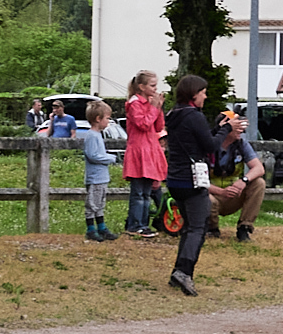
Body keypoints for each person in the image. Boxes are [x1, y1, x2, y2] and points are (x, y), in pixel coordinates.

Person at [162, 74, 216, 295]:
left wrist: (218, 128)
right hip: (192, 180)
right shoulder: (194, 116)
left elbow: (197, 140)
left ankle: (178, 271)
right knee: (198, 228)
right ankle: (185, 271)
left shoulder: (173, 114)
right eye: (203, 92)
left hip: (175, 179)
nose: (205, 96)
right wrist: (225, 130)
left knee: (188, 227)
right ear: (194, 94)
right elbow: (210, 145)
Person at [203, 107, 267, 241]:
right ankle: (211, 228)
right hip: (211, 194)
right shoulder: (207, 146)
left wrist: (243, 181)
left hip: (233, 194)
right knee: (206, 199)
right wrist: (221, 192)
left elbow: (259, 168)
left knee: (259, 183)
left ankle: (244, 227)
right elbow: (198, 181)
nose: (241, 130)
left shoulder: (241, 144)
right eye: (237, 126)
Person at [122, 70, 168, 238]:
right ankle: (135, 225)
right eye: (152, 85)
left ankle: (143, 224)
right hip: (138, 151)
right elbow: (143, 124)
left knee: (147, 192)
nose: (155, 89)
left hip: (149, 151)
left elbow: (158, 127)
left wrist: (158, 108)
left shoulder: (149, 103)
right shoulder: (134, 103)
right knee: (138, 193)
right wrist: (154, 108)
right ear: (141, 87)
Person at [79, 100, 120, 242]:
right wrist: (110, 158)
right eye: (107, 118)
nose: (108, 121)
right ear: (98, 119)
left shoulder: (98, 135)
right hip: (95, 177)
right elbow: (93, 155)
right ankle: (91, 229)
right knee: (92, 204)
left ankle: (101, 227)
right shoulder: (91, 136)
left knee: (100, 203)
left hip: (101, 177)